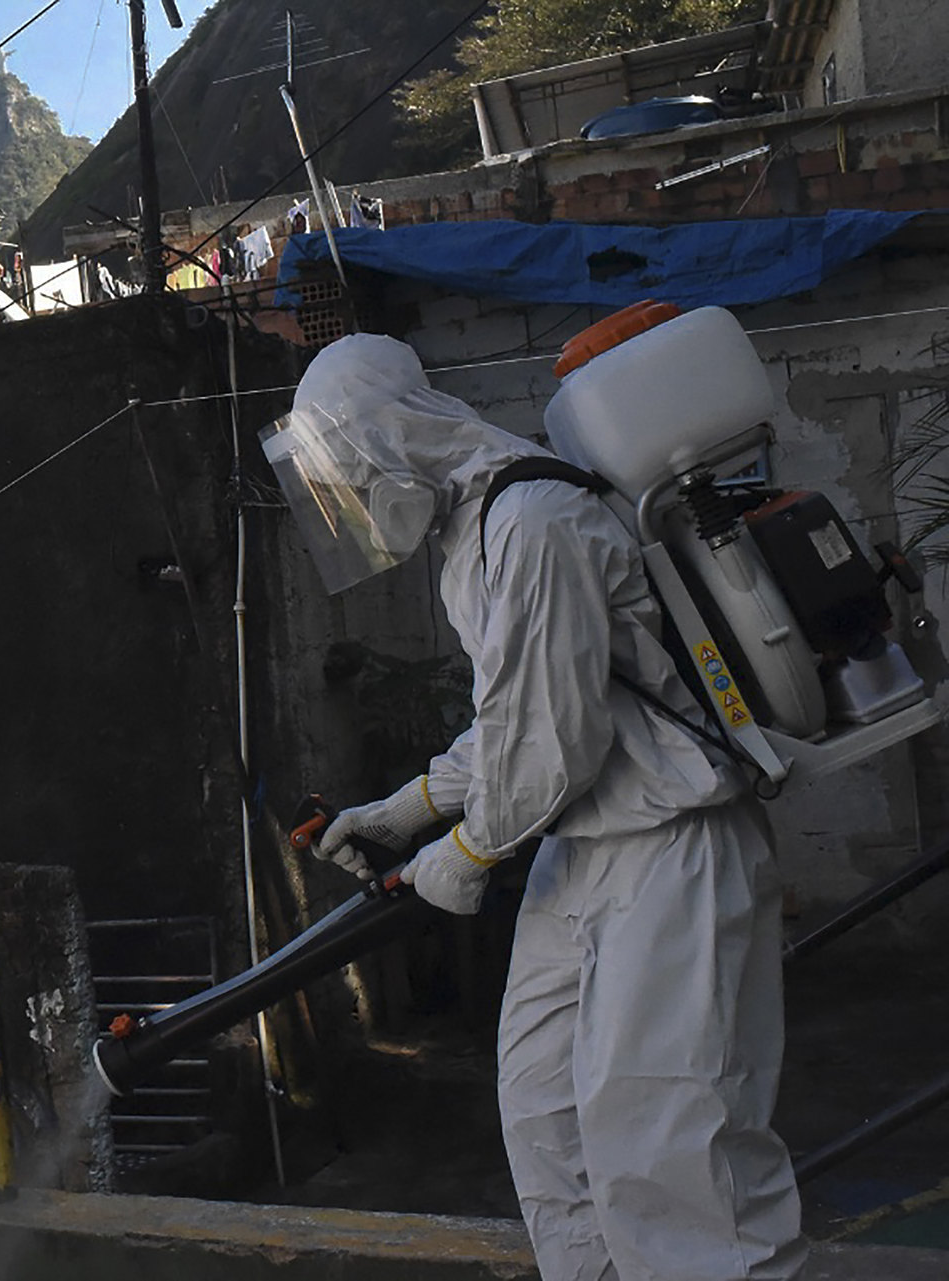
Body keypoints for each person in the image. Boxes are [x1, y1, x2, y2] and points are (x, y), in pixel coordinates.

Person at [261, 333, 804, 1281]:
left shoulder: (534, 519)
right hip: (585, 851)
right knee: (548, 1118)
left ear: (389, 439)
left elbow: (556, 741)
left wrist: (464, 855)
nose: (352, 510)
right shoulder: (472, 533)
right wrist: (410, 806)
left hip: (666, 844)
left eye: (349, 480)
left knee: (672, 1151)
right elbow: (518, 715)